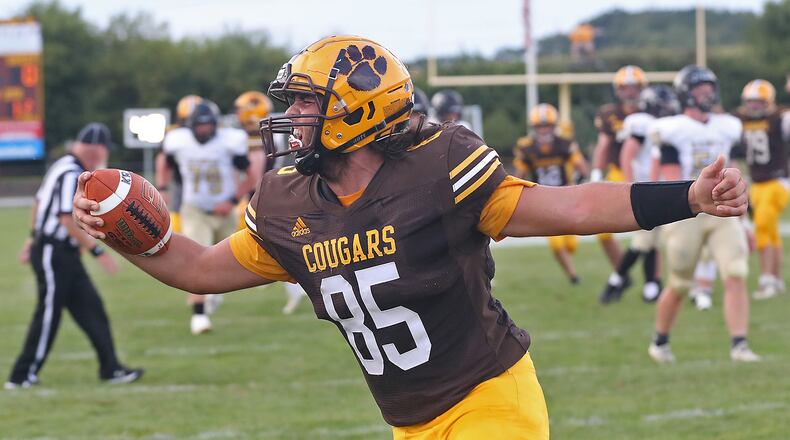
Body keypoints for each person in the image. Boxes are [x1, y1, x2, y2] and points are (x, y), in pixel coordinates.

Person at [73, 36, 747, 437]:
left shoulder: (438, 167)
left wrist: (687, 195)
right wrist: (126, 235)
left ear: (357, 109)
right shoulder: (289, 202)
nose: (290, 116)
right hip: (409, 420)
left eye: (306, 101)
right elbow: (199, 269)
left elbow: (568, 207)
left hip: (490, 399)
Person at [6, 123, 143, 389]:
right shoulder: (72, 172)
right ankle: (21, 375)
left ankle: (111, 368)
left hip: (60, 252)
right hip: (53, 251)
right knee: (48, 313)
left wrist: (31, 237)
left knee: (92, 309)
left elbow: (38, 202)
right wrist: (96, 250)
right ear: (97, 149)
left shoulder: (62, 165)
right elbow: (65, 218)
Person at [647, 65, 759, 364]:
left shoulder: (726, 125)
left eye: (710, 87)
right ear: (686, 93)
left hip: (722, 212)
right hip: (688, 212)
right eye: (700, 88)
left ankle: (740, 345)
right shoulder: (672, 128)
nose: (708, 93)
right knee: (681, 283)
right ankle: (660, 341)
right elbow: (670, 178)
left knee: (736, 272)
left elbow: (733, 169)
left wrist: (745, 221)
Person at [161, 100, 253, 334]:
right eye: (199, 125)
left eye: (208, 125)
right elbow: (164, 161)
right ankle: (199, 316)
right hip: (194, 209)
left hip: (224, 209)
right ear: (191, 126)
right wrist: (162, 188)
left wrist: (232, 201)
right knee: (195, 261)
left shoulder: (229, 142)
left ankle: (211, 293)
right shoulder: (178, 141)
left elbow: (250, 176)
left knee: (227, 261)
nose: (204, 130)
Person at [599, 84, 679, 304]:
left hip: (656, 185)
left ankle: (649, 285)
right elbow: (627, 153)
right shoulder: (643, 123)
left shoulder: (660, 124)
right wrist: (632, 185)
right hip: (646, 186)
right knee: (645, 240)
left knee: (650, 238)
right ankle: (618, 280)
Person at [513, 103, 588, 284]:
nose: (544, 130)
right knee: (556, 244)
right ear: (533, 128)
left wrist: (576, 182)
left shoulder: (565, 144)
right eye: (540, 126)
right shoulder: (526, 148)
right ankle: (574, 277)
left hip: (565, 194)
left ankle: (570, 269)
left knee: (570, 245)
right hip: (543, 198)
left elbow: (582, 167)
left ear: (554, 126)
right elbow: (519, 175)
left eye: (547, 125)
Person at [733, 79, 790, 299]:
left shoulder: (780, 118)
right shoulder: (739, 119)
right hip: (755, 183)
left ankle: (766, 279)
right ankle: (775, 280)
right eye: (751, 102)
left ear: (769, 102)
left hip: (777, 181)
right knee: (771, 231)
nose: (754, 107)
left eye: (759, 102)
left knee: (763, 226)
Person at [591, 65, 648, 274]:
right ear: (618, 90)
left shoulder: (652, 110)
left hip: (646, 172)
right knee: (601, 229)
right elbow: (603, 145)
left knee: (654, 227)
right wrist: (597, 172)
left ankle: (653, 279)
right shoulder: (610, 113)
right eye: (625, 87)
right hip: (617, 172)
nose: (630, 92)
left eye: (634, 87)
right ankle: (621, 273)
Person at [156, 94, 202, 234]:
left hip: (209, 181)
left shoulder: (215, 134)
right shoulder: (174, 134)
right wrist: (162, 187)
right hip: (181, 182)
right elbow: (163, 160)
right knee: (178, 220)